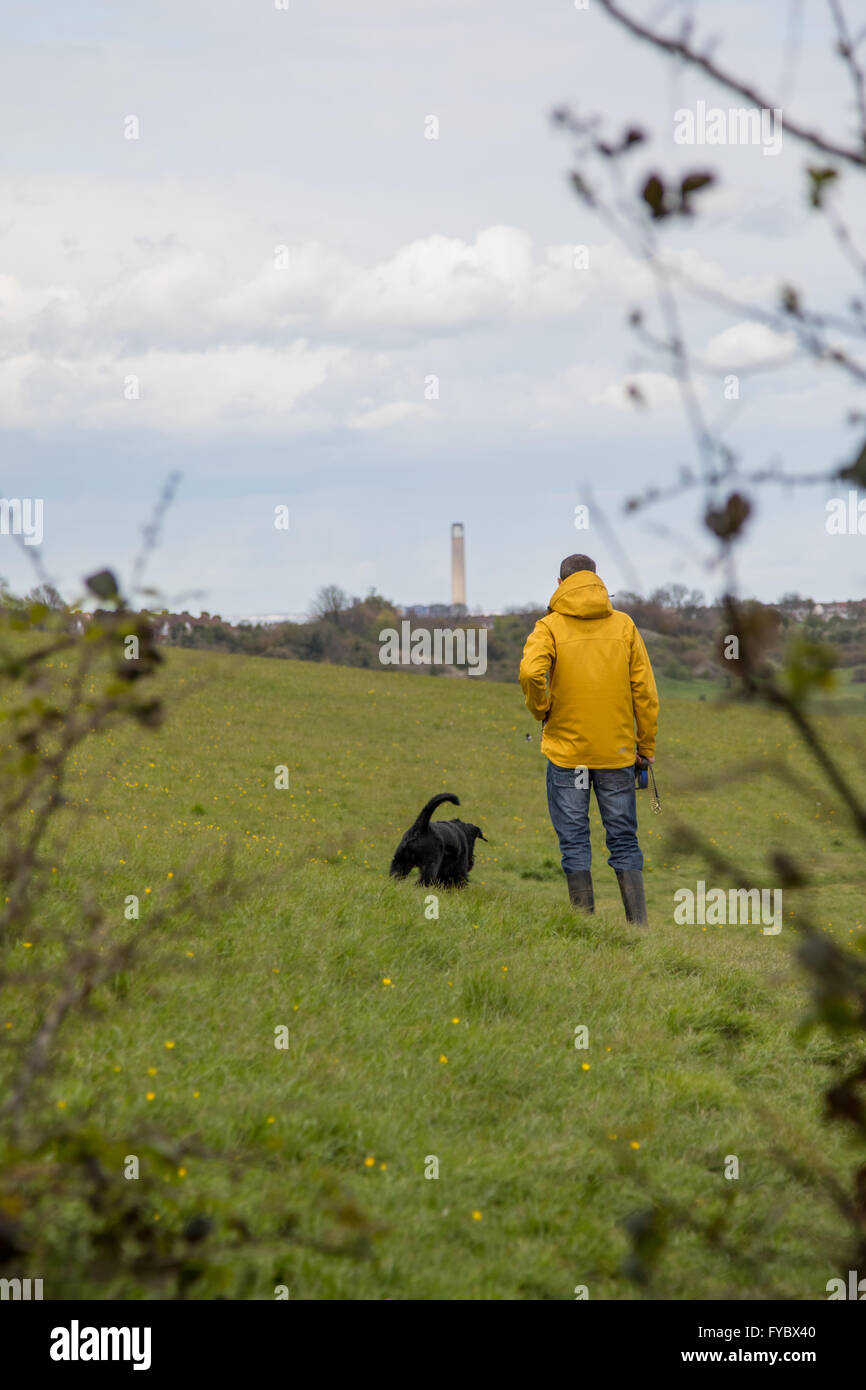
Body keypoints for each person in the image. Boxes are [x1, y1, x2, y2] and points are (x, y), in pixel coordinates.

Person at [519, 554, 659, 924]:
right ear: (597, 580)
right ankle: (639, 927)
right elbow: (644, 692)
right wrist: (645, 747)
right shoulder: (624, 625)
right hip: (615, 753)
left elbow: (531, 672)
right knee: (624, 840)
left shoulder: (548, 626)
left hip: (568, 756)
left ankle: (585, 924)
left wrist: (541, 708)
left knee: (574, 842)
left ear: (560, 582)